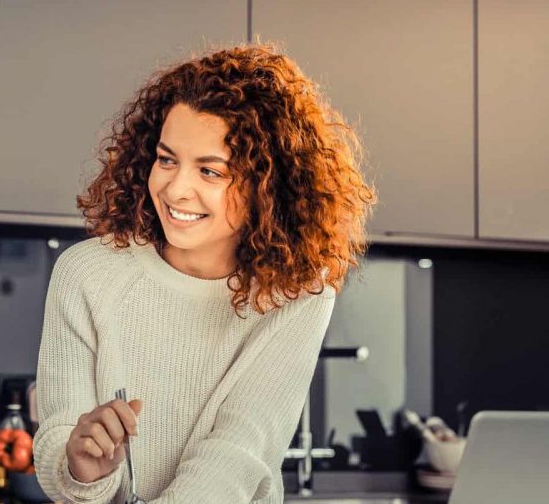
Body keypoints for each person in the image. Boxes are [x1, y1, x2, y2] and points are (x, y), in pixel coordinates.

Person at [33, 44, 375, 503]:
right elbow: (59, 437)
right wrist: (81, 467)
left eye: (211, 172)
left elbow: (238, 452)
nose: (176, 188)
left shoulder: (300, 294)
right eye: (167, 159)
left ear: (267, 187)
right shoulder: (87, 274)